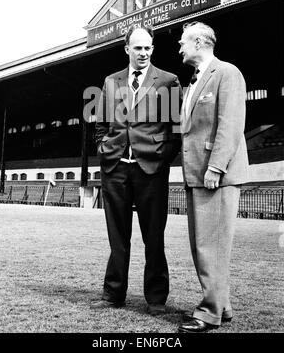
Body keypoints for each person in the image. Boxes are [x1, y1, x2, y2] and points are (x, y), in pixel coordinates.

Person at [92, 24, 182, 315]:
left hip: (150, 169)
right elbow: (100, 126)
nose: (143, 53)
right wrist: (105, 150)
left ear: (152, 49)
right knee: (117, 236)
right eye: (138, 48)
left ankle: (156, 299)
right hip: (115, 168)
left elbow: (176, 130)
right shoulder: (110, 82)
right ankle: (113, 294)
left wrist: (161, 158)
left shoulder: (168, 81)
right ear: (127, 49)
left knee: (153, 236)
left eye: (148, 48)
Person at [178, 21, 249, 333]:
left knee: (211, 247)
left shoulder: (227, 73)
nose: (179, 47)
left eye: (183, 41)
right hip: (198, 174)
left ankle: (209, 313)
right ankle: (223, 306)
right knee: (203, 246)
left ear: (199, 42)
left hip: (214, 175)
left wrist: (216, 168)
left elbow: (230, 124)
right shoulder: (194, 80)